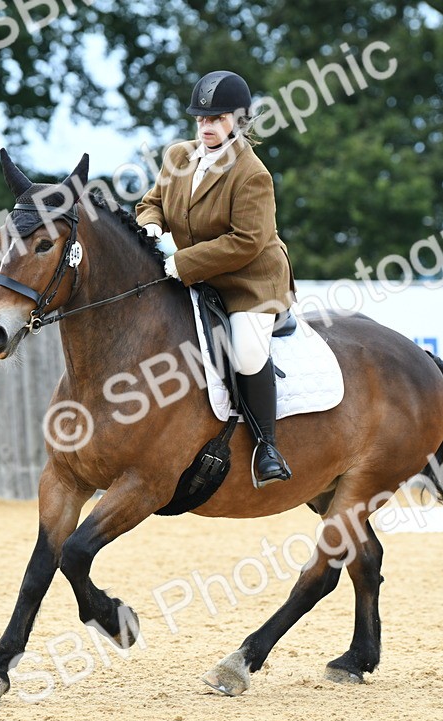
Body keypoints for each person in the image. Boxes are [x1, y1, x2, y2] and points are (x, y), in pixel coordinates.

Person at [136, 70, 297, 487]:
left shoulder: (253, 174)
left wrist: (183, 263)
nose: (206, 126)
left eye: (217, 119)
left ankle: (267, 447)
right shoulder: (178, 157)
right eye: (201, 119)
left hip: (250, 282)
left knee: (246, 353)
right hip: (194, 274)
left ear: (238, 120)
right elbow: (152, 203)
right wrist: (151, 225)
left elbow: (246, 241)